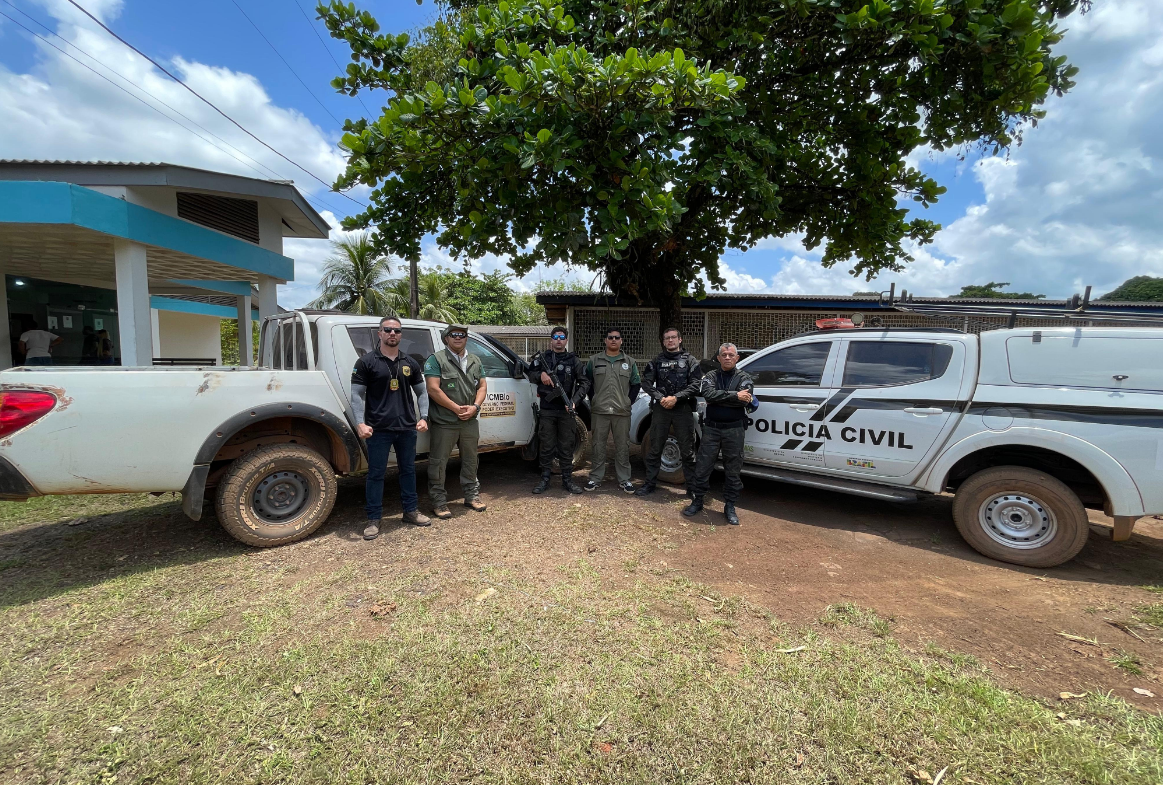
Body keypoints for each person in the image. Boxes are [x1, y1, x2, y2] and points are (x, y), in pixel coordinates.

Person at [350, 315, 431, 540]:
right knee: (376, 474)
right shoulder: (366, 362)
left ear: (401, 334)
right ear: (380, 334)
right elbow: (356, 395)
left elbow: (422, 392)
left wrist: (423, 416)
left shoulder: (410, 362)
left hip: (407, 427)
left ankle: (410, 511)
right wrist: (360, 423)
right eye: (387, 330)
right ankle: (374, 519)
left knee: (408, 470)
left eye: (396, 330)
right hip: (378, 429)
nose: (392, 334)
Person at [684, 343, 758, 525]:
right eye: (723, 355)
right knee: (703, 466)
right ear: (718, 358)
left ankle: (730, 506)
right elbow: (708, 395)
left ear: (737, 358)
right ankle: (698, 500)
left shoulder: (745, 377)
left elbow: (744, 402)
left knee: (733, 470)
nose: (727, 357)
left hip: (734, 429)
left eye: (730, 355)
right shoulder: (710, 376)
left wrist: (721, 398)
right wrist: (734, 396)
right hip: (712, 429)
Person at [424, 323, 488, 519]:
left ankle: (471, 496)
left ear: (466, 338)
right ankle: (439, 502)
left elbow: (483, 386)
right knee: (439, 462)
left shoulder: (475, 360)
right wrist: (455, 408)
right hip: (445, 421)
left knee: (471, 460)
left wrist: (475, 407)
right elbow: (433, 389)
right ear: (446, 339)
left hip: (469, 421)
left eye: (461, 335)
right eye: (453, 335)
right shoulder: (436, 360)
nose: (458, 338)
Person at [636, 326, 704, 497]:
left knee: (687, 450)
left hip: (683, 409)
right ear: (664, 341)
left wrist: (676, 398)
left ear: (680, 339)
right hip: (661, 409)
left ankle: (692, 487)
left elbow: (696, 385)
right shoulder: (656, 361)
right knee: (655, 448)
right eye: (667, 338)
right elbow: (646, 383)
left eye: (673, 337)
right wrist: (661, 398)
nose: (670, 340)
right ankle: (649, 484)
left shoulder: (690, 361)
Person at [525, 326, 589, 494]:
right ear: (551, 340)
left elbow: (585, 383)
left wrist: (574, 401)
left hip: (566, 410)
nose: (559, 340)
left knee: (566, 446)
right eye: (555, 337)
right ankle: (545, 479)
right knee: (546, 445)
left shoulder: (573, 360)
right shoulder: (542, 359)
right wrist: (541, 376)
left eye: (562, 337)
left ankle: (567, 480)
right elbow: (530, 375)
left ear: (566, 340)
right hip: (547, 410)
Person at [584, 328, 640, 493]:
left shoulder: (629, 362)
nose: (613, 340)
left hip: (621, 411)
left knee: (622, 445)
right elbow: (587, 382)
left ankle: (625, 479)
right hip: (599, 410)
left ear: (621, 340)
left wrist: (628, 401)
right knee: (597, 445)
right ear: (605, 340)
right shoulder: (594, 360)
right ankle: (595, 478)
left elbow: (636, 384)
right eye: (610, 337)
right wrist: (594, 398)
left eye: (617, 337)